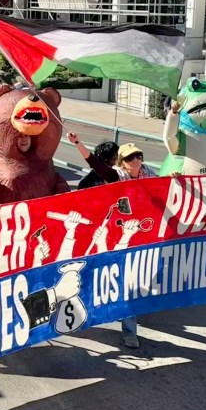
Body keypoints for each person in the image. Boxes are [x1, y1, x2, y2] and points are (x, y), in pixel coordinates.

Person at [68, 134, 154, 349]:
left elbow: (168, 189)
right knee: (96, 278)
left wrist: (175, 178)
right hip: (110, 240)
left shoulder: (150, 176)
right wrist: (78, 144)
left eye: (138, 156)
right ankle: (81, 315)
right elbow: (95, 164)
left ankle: (129, 331)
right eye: (130, 158)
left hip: (137, 240)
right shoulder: (116, 176)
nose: (135, 161)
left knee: (129, 285)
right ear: (121, 162)